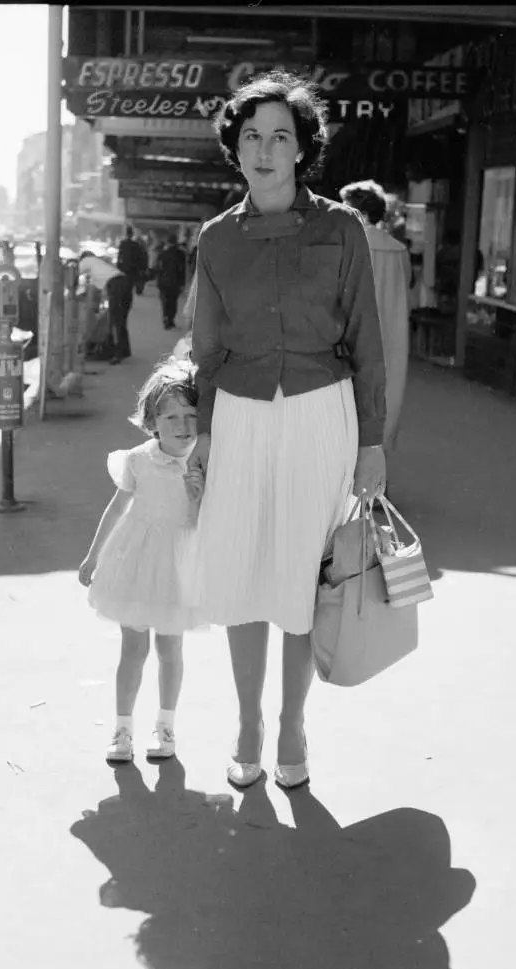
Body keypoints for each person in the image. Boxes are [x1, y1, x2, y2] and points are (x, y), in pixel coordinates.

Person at [187, 70, 386, 790]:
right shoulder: (215, 239)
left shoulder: (340, 229)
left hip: (319, 410)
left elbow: (366, 340)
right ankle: (246, 723)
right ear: (233, 150)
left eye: (280, 136)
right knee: (240, 569)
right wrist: (203, 435)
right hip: (237, 413)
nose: (265, 149)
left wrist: (371, 442)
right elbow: (204, 348)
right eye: (251, 136)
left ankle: (292, 726)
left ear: (302, 149)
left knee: (302, 575)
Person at [78, 358, 205, 763]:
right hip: (135, 561)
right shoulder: (137, 459)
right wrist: (92, 556)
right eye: (171, 417)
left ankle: (165, 726)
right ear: (152, 422)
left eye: (191, 415)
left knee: (171, 649)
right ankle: (122, 728)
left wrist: (200, 494)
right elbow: (116, 509)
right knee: (133, 649)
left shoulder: (204, 462)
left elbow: (207, 524)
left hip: (178, 568)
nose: (183, 425)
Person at [340, 179, 411, 456]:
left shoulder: (348, 244)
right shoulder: (398, 250)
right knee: (385, 396)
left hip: (353, 332)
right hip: (392, 333)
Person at [156, 234, 187, 330]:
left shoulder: (162, 254)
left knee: (165, 301)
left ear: (168, 243)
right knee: (173, 301)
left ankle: (166, 319)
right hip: (175, 282)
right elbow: (182, 270)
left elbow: (159, 269)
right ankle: (171, 319)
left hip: (163, 282)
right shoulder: (181, 254)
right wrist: (182, 283)